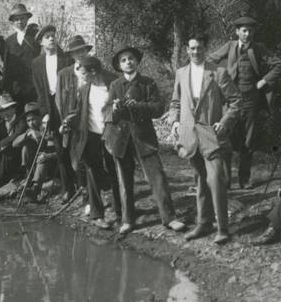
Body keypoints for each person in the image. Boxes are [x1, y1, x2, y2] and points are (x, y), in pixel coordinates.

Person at [105, 46, 187, 236]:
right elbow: (108, 112)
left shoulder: (148, 83)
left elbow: (158, 108)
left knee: (157, 178)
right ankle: (127, 220)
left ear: (137, 61)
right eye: (124, 60)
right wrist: (116, 109)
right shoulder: (115, 85)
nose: (128, 62)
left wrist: (139, 106)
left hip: (144, 137)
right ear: (119, 65)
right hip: (121, 138)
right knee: (124, 181)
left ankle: (169, 218)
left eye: (131, 58)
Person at [169, 34, 240, 245]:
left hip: (212, 135)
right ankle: (203, 223)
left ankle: (223, 228)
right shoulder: (181, 73)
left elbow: (236, 101)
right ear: (187, 50)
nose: (195, 52)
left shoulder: (218, 72)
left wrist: (225, 122)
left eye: (199, 48)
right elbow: (175, 102)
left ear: (205, 49)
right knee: (200, 180)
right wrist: (174, 122)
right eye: (191, 48)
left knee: (216, 179)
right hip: (190, 135)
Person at [207, 16, 281, 190]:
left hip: (251, 100)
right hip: (230, 102)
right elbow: (210, 61)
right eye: (244, 30)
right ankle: (225, 181)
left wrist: (262, 82)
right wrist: (221, 78)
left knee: (248, 142)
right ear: (237, 32)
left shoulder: (259, 49)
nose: (247, 34)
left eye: (250, 31)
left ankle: (244, 179)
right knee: (225, 139)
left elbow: (279, 65)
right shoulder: (230, 46)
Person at [62, 54, 122, 229]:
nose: (81, 77)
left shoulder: (114, 84)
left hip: (112, 134)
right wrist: (67, 122)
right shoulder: (84, 89)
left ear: (93, 71)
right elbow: (81, 112)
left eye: (83, 74)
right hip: (91, 135)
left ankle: (120, 211)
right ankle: (97, 215)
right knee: (92, 172)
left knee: (114, 171)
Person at [31, 24, 78, 199]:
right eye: (47, 37)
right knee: (59, 147)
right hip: (51, 107)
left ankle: (83, 184)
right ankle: (68, 188)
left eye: (53, 36)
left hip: (66, 104)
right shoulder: (37, 63)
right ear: (41, 42)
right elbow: (40, 91)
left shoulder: (66, 59)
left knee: (74, 143)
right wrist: (44, 113)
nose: (51, 39)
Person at [11, 103, 60, 202]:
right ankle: (28, 177)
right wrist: (27, 134)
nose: (31, 123)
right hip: (36, 168)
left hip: (52, 166)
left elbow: (59, 152)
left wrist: (48, 156)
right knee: (26, 147)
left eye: (33, 119)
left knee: (42, 157)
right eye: (28, 121)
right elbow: (14, 144)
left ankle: (36, 188)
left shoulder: (49, 130)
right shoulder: (31, 131)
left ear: (40, 118)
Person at [2, 4, 38, 106]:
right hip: (15, 90)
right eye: (16, 19)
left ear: (27, 19)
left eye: (22, 18)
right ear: (12, 22)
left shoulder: (35, 37)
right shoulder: (8, 41)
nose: (19, 22)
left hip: (33, 88)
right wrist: (5, 90)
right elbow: (6, 67)